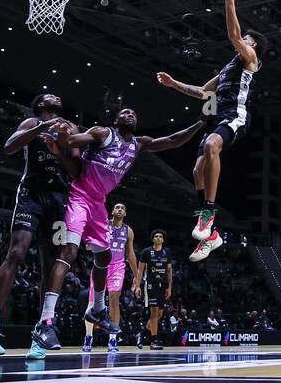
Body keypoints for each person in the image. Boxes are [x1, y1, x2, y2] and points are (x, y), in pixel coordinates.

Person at [30, 110, 203, 351]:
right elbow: (71, 142)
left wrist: (200, 122)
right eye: (125, 112)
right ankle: (46, 321)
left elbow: (173, 140)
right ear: (116, 120)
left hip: (99, 202)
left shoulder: (138, 143)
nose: (130, 113)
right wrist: (61, 132)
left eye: (134, 113)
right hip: (79, 196)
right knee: (68, 253)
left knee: (104, 256)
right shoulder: (103, 133)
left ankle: (97, 309)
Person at [156, 0, 266, 261]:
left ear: (253, 46)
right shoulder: (229, 68)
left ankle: (208, 213)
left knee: (211, 146)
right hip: (220, 117)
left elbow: (232, 34)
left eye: (247, 39)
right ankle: (212, 234)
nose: (242, 40)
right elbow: (203, 92)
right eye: (244, 38)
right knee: (196, 172)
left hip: (237, 116)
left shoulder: (251, 60)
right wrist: (173, 84)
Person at [0, 93, 75, 359]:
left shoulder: (71, 128)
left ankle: (41, 333)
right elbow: (9, 147)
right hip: (32, 194)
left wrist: (60, 148)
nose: (55, 95)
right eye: (48, 95)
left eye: (58, 95)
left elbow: (76, 170)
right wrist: (41, 129)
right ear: (40, 105)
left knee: (50, 266)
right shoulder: (31, 123)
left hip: (59, 200)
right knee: (17, 253)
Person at [81, 203, 141, 353]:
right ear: (112, 211)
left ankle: (113, 340)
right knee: (93, 302)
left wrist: (137, 276)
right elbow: (88, 246)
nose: (119, 209)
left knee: (114, 297)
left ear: (125, 213)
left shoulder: (129, 231)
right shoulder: (103, 225)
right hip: (101, 266)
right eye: (117, 207)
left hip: (117, 267)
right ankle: (88, 337)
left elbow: (130, 255)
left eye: (122, 208)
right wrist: (94, 242)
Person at [141, 230, 173, 350]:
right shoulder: (147, 252)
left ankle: (142, 332)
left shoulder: (167, 252)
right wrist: (138, 285)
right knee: (154, 314)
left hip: (163, 285)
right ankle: (154, 340)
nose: (158, 238)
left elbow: (169, 271)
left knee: (159, 314)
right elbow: (140, 270)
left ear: (163, 240)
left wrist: (169, 287)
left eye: (160, 236)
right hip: (151, 285)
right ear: (153, 239)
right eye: (156, 236)